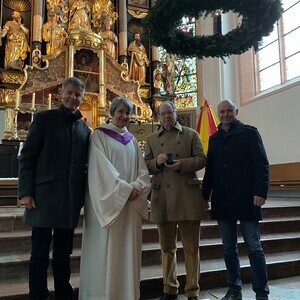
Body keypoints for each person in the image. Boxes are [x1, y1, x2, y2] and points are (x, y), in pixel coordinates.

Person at [18, 77, 91, 300]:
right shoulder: (44, 119)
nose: (73, 97)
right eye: (69, 92)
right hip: (43, 198)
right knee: (39, 254)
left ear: (82, 97)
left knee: (63, 255)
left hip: (69, 201)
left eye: (77, 94)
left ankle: (63, 294)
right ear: (61, 93)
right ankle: (37, 295)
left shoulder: (84, 129)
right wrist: (26, 192)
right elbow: (27, 157)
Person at [79, 97, 151, 300]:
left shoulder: (132, 140)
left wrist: (137, 187)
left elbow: (142, 171)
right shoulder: (99, 136)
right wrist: (126, 190)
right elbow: (100, 172)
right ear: (111, 112)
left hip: (129, 207)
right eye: (120, 111)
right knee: (104, 251)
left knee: (126, 252)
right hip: (109, 203)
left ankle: (125, 294)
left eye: (127, 113)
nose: (124, 116)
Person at [202, 99, 270, 300]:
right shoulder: (214, 139)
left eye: (228, 111)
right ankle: (234, 289)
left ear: (236, 111)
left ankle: (261, 293)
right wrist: (205, 195)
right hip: (223, 200)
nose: (225, 115)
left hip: (248, 198)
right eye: (221, 112)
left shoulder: (249, 133)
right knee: (228, 248)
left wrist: (261, 192)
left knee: (254, 247)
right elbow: (210, 171)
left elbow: (262, 164)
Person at [144, 100, 207, 300]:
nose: (166, 117)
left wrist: (182, 164)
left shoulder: (191, 134)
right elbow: (144, 165)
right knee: (167, 247)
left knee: (191, 247)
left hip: (187, 196)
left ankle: (192, 290)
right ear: (158, 117)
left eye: (169, 113)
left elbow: (202, 159)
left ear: (175, 113)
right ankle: (169, 288)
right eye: (162, 114)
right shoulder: (152, 139)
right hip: (162, 197)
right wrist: (156, 162)